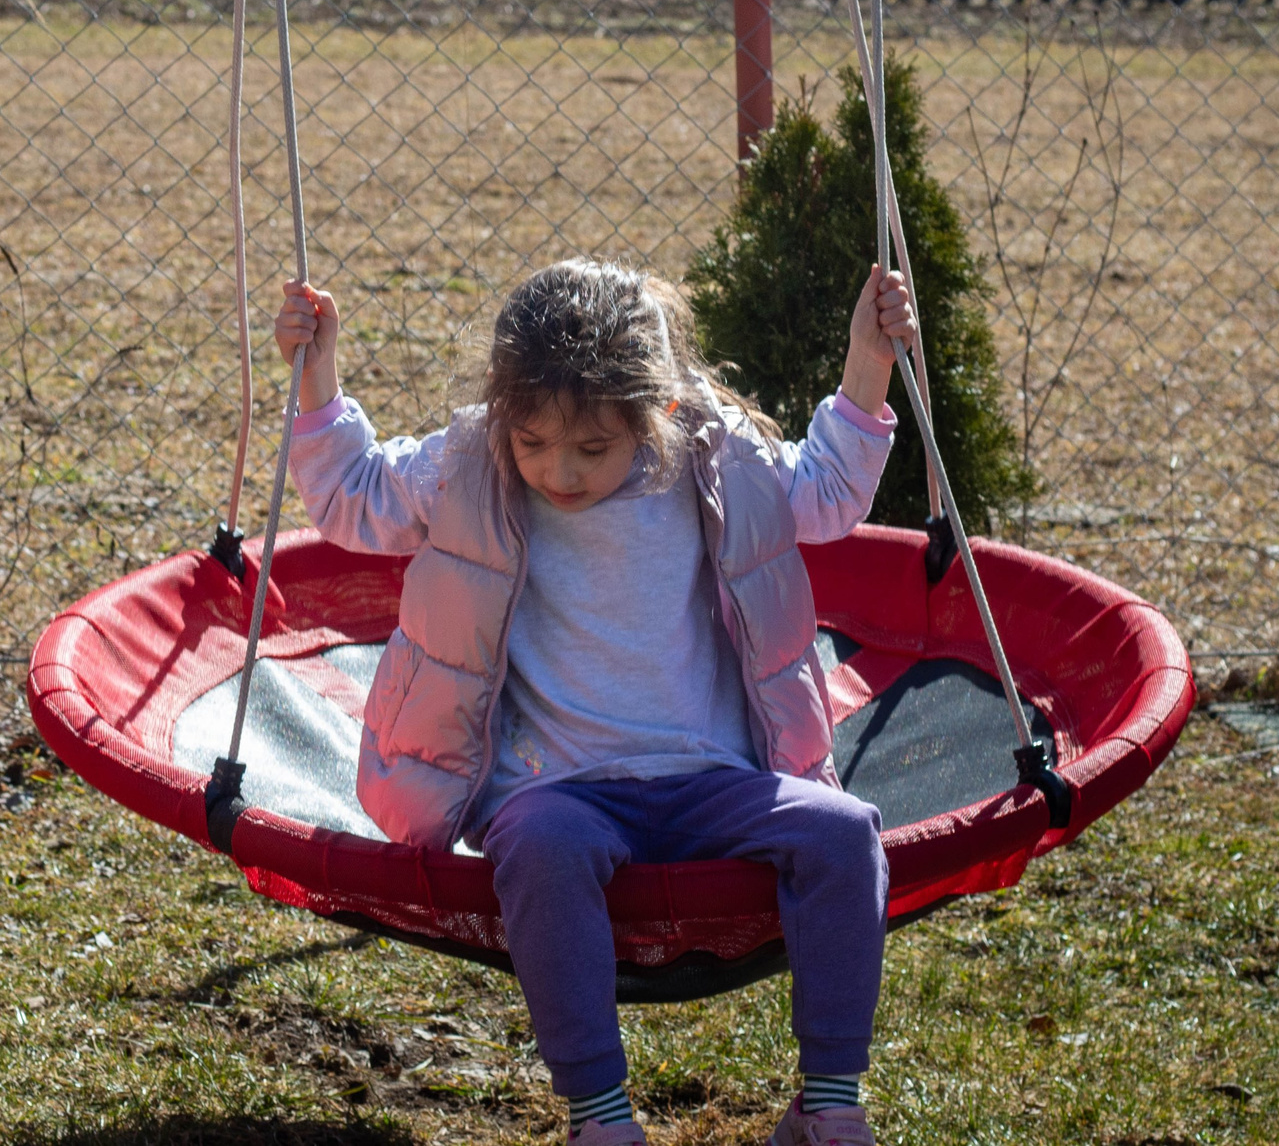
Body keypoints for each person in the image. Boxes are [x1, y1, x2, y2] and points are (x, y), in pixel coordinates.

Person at [278, 257, 918, 1146]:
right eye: (533, 442)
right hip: (559, 789)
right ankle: (600, 1113)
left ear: (653, 414)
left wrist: (867, 362)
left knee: (846, 833)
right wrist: (318, 377)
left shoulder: (714, 456)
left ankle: (829, 1098)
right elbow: (354, 499)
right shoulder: (471, 464)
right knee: (539, 848)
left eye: (591, 448)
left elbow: (826, 493)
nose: (559, 472)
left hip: (711, 778)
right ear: (505, 415)